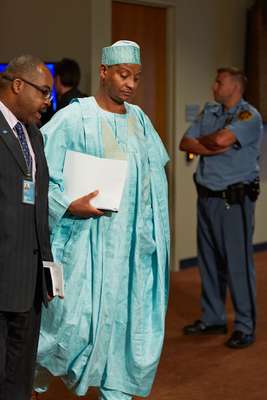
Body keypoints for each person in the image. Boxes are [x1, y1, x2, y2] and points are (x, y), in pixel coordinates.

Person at [34, 40, 170, 400]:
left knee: (126, 331)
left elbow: (155, 178)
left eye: (137, 78)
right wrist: (66, 204)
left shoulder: (140, 120)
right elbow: (37, 171)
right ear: (104, 72)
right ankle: (26, 382)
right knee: (69, 326)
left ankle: (116, 392)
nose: (130, 84)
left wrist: (151, 236)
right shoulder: (75, 117)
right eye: (124, 75)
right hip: (86, 245)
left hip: (130, 252)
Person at [179, 67, 263, 349]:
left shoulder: (248, 116)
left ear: (235, 87)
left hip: (234, 201)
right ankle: (213, 317)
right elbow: (185, 143)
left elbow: (221, 140)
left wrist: (210, 141)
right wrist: (212, 143)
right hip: (206, 198)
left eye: (220, 82)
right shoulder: (210, 111)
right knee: (210, 263)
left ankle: (244, 325)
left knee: (238, 265)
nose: (214, 85)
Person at [0, 55, 54, 400]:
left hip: (30, 278)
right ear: (18, 85)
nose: (48, 102)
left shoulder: (34, 136)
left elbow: (38, 204)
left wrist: (46, 267)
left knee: (20, 377)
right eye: (44, 93)